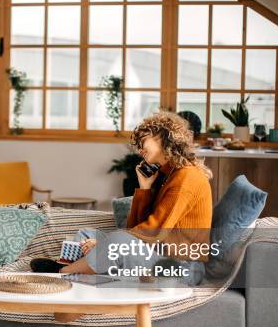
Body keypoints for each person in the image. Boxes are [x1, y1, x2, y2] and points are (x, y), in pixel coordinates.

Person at [31, 111, 213, 288]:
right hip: (156, 254)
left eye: (143, 142)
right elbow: (133, 226)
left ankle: (62, 272)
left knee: (117, 242)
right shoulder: (166, 175)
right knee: (87, 235)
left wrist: (105, 244)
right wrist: (145, 188)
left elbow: (154, 232)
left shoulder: (187, 177)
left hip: (182, 268)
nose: (140, 149)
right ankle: (90, 271)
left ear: (163, 137)